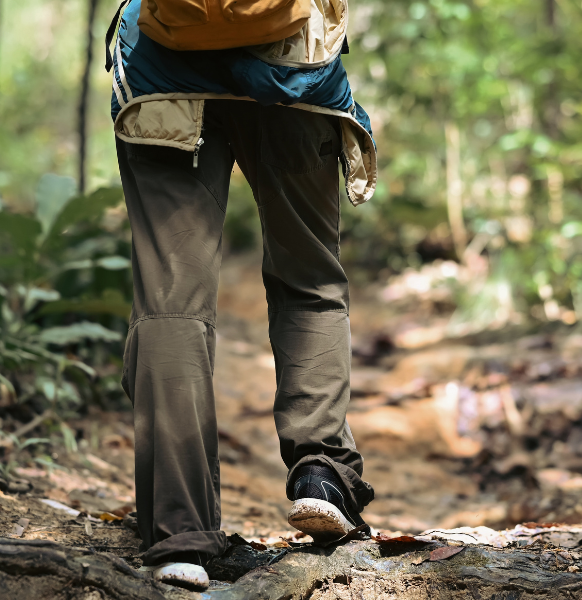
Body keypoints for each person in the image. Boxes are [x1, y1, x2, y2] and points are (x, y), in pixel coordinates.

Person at [105, 0, 379, 591]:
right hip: (294, 71)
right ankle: (322, 474)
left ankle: (179, 533)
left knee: (169, 303)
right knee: (309, 281)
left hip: (162, 74)